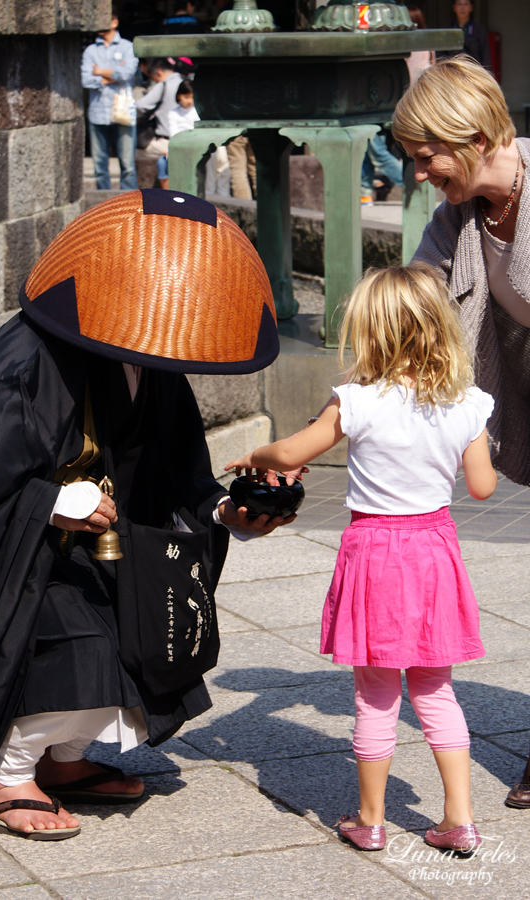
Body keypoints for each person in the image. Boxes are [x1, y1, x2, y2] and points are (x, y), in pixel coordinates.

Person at [0, 190, 288, 840]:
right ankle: (4, 777)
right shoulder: (18, 371)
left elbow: (178, 480)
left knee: (145, 633)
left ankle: (63, 762)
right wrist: (51, 502)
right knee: (84, 641)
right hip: (30, 566)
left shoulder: (151, 360)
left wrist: (229, 512)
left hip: (106, 555)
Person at [225, 263, 497, 853]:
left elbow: (294, 450)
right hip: (434, 550)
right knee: (436, 690)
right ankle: (460, 818)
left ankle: (369, 820)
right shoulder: (469, 403)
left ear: (371, 332)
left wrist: (258, 452)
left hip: (375, 551)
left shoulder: (356, 401)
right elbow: (481, 488)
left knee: (375, 691)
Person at [392, 54, 530, 811]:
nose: (419, 173)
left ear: (472, 135)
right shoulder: (459, 217)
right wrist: (355, 407)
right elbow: (415, 307)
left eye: (426, 156)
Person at [81, 7, 139, 191]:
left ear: (115, 22)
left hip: (123, 111)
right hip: (98, 111)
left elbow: (128, 73)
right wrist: (115, 73)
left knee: (128, 166)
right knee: (99, 166)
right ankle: (102, 205)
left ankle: (131, 204)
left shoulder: (128, 47)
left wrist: (99, 71)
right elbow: (86, 79)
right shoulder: (90, 50)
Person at [156, 81, 230, 196]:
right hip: (183, 146)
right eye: (186, 97)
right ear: (178, 95)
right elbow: (174, 134)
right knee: (163, 163)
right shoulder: (173, 113)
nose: (189, 101)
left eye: (192, 97)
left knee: (218, 172)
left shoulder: (198, 110)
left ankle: (221, 197)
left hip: (204, 145)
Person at [135, 58, 183, 161]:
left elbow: (140, 106)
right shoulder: (185, 82)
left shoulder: (164, 85)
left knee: (136, 153)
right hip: (185, 138)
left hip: (166, 142)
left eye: (154, 79)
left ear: (159, 73)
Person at [438, 0, 491, 70]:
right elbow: (441, 56)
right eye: (459, 4)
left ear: (471, 7)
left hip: (473, 71)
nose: (462, 8)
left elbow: (485, 56)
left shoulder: (479, 30)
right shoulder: (447, 30)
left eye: (466, 4)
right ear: (454, 7)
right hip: (453, 71)